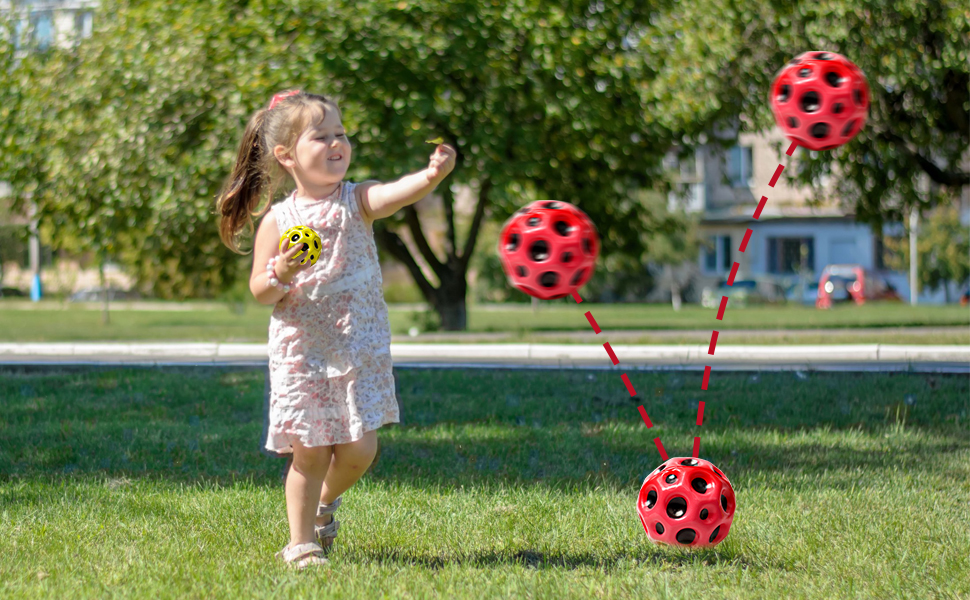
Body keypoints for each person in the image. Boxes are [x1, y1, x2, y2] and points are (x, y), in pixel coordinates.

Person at [216, 89, 456, 568]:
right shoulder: (279, 221)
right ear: (287, 156)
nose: (336, 143)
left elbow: (393, 194)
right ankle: (300, 543)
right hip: (302, 353)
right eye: (321, 136)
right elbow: (261, 291)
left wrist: (430, 177)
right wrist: (281, 271)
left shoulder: (357, 200)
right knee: (309, 453)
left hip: (355, 349)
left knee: (360, 449)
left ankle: (324, 504)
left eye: (341, 134)